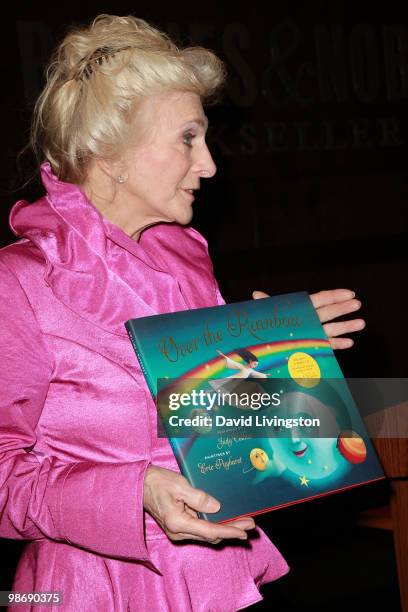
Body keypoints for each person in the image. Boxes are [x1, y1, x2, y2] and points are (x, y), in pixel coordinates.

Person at [0, 14, 365, 611]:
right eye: (187, 138)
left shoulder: (184, 257)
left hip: (215, 583)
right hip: (93, 593)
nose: (210, 165)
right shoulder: (19, 282)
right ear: (111, 152)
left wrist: (275, 359)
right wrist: (133, 492)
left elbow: (211, 436)